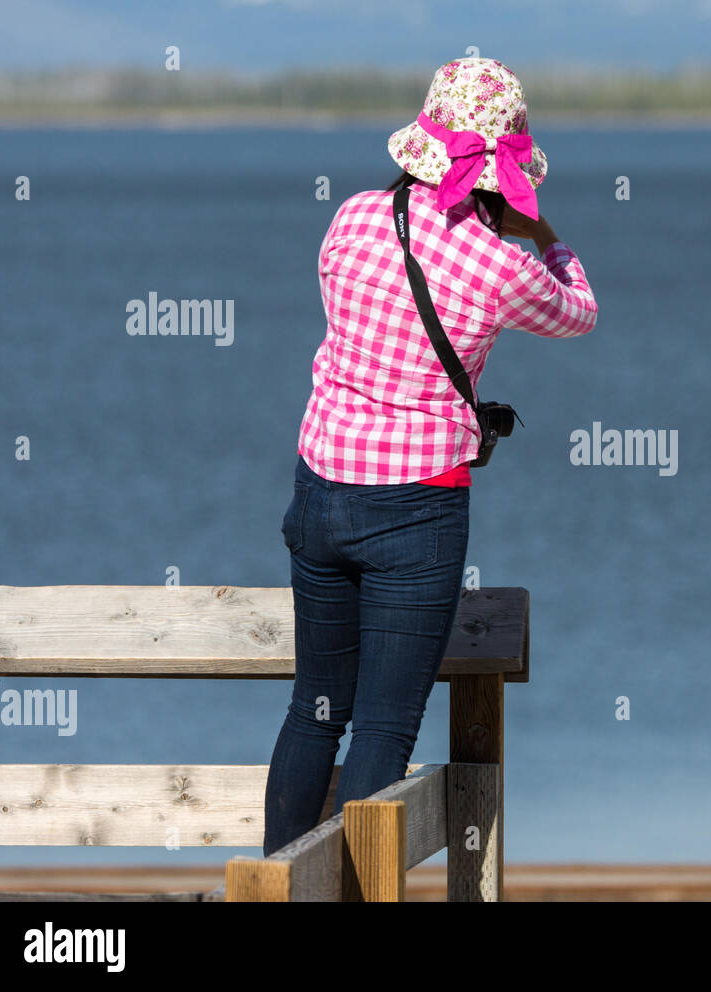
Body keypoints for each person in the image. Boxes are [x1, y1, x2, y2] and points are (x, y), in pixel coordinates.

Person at [263, 58, 598, 855]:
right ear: (508, 172)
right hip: (416, 507)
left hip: (319, 489)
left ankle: (272, 883)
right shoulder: (501, 264)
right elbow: (580, 311)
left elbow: (361, 335)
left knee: (314, 707)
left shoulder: (350, 218)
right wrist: (539, 229)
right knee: (384, 722)